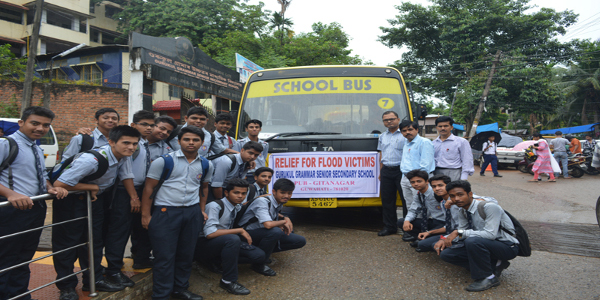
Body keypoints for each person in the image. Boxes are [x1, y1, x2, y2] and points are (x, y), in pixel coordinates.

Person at [53, 126, 140, 300]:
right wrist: (91, 187)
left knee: (93, 242)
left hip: (94, 202)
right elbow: (60, 183)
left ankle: (94, 279)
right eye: (126, 143)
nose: (130, 147)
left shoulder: (122, 157)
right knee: (68, 245)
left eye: (134, 144)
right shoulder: (91, 160)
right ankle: (66, 287)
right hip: (71, 203)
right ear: (111, 142)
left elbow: (125, 175)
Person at [0, 107, 69, 300]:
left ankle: (19, 294)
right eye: (35, 123)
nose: (40, 128)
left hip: (33, 209)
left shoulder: (36, 147)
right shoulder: (6, 144)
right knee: (6, 257)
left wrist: (49, 187)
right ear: (21, 123)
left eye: (46, 125)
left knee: (24, 257)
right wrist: (11, 194)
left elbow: (40, 175)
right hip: (10, 210)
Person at [141, 126, 210, 300]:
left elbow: (204, 187)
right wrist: (146, 215)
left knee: (186, 254)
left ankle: (180, 289)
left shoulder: (206, 164)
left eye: (195, 140)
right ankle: (161, 295)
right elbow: (149, 188)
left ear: (202, 143)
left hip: (192, 212)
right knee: (164, 256)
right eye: (187, 139)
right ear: (179, 141)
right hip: (166, 213)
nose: (191, 143)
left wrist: (201, 210)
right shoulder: (163, 162)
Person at [435, 180, 519, 292]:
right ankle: (493, 265)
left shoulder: (489, 207)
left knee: (473, 241)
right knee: (447, 254)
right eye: (452, 196)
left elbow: (490, 234)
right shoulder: (463, 211)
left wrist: (457, 233)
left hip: (507, 246)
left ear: (470, 194)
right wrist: (445, 238)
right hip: (484, 244)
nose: (456, 199)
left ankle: (488, 278)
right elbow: (463, 232)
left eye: (460, 195)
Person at [103, 110, 155, 287]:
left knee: (140, 227)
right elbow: (125, 173)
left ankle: (140, 259)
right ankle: (113, 270)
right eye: (144, 124)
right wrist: (133, 196)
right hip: (124, 191)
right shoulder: (129, 145)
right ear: (134, 125)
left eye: (151, 125)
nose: (149, 128)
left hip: (140, 190)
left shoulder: (142, 143)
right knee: (120, 230)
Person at [196, 178, 266, 295]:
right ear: (226, 193)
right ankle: (227, 281)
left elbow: (249, 205)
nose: (240, 196)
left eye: (243, 193)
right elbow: (210, 234)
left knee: (259, 256)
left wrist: (284, 218)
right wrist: (239, 230)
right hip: (203, 245)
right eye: (236, 193)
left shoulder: (236, 206)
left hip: (223, 242)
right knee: (233, 238)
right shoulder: (215, 206)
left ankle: (216, 260)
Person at [130, 115, 178, 269]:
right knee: (123, 227)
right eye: (161, 128)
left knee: (145, 225)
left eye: (168, 132)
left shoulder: (167, 148)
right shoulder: (134, 143)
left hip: (150, 190)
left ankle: (140, 257)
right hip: (128, 187)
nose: (164, 133)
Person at [237, 178, 306, 277]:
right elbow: (268, 225)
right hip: (246, 233)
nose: (286, 196)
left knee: (300, 240)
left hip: (261, 232)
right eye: (282, 192)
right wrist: (284, 221)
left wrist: (285, 218)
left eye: (289, 193)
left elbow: (275, 215)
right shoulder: (262, 201)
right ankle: (259, 264)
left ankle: (264, 252)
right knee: (275, 231)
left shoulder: (278, 201)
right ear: (274, 191)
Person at [399, 120, 435, 241]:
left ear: (417, 130)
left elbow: (426, 164)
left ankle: (423, 234)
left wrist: (419, 180)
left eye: (410, 129)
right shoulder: (406, 143)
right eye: (404, 131)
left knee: (422, 207)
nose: (407, 132)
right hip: (405, 178)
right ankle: (413, 233)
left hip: (419, 179)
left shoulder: (424, 142)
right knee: (411, 206)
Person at [398, 170, 445, 249]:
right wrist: (407, 221)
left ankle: (429, 239)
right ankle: (422, 238)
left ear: (427, 181)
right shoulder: (419, 194)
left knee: (423, 245)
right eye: (412, 182)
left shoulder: (436, 193)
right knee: (401, 222)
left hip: (443, 223)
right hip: (430, 222)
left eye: (419, 181)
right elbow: (413, 210)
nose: (416, 184)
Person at [376, 111, 406, 237]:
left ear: (398, 119)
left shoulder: (405, 134)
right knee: (387, 200)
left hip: (402, 171)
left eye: (391, 119)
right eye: (386, 120)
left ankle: (408, 228)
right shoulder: (382, 136)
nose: (389, 121)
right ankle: (390, 227)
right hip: (386, 171)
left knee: (406, 200)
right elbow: (381, 154)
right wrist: (380, 171)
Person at [168, 107, 236, 157]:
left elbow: (223, 150)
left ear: (207, 120)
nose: (198, 121)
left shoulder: (209, 136)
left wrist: (242, 155)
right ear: (186, 118)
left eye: (202, 119)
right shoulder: (174, 131)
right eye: (194, 118)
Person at [412, 174, 455, 252]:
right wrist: (429, 232)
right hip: (449, 228)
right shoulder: (443, 203)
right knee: (422, 244)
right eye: (434, 186)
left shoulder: (457, 200)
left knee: (431, 246)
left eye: (440, 185)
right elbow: (449, 225)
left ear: (449, 186)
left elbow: (481, 199)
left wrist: (456, 201)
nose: (437, 188)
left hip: (463, 232)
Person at [432, 116, 474, 181]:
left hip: (454, 173)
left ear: (451, 127)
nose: (443, 128)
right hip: (436, 173)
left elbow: (467, 160)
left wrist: (464, 178)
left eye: (446, 126)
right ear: (436, 128)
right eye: (440, 126)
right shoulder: (433, 143)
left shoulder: (461, 142)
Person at [233, 119, 269, 184]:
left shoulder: (265, 144)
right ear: (246, 129)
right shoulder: (239, 143)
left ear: (260, 129)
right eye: (251, 127)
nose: (254, 129)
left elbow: (263, 157)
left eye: (257, 127)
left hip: (261, 174)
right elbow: (237, 157)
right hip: (247, 173)